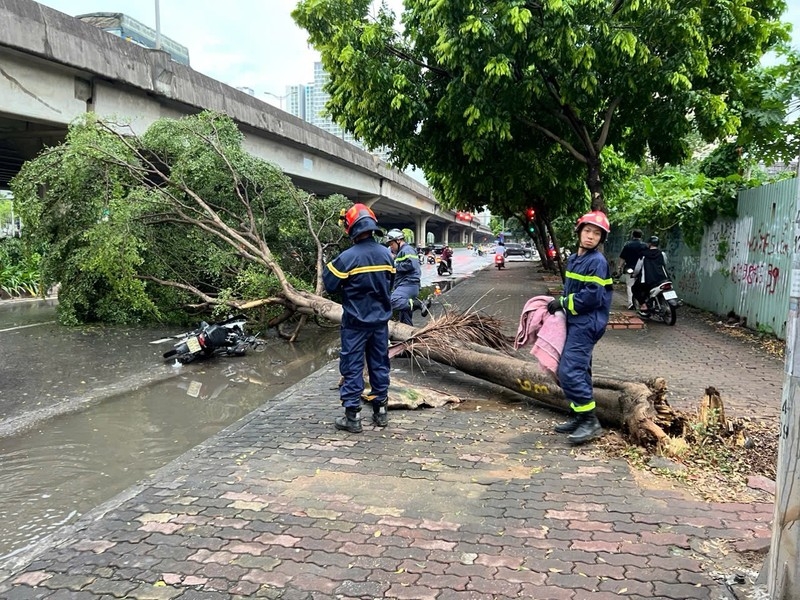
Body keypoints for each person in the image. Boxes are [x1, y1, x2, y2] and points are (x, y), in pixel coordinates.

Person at [323, 204, 395, 433]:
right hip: (380, 323)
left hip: (355, 323)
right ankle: (380, 412)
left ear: (351, 228)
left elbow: (330, 284)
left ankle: (352, 418)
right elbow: (390, 285)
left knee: (352, 367)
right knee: (379, 364)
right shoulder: (387, 254)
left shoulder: (347, 258)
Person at [546, 210, 613, 445]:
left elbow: (591, 298)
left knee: (568, 371)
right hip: (576, 321)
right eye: (587, 231)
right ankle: (579, 415)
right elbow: (571, 289)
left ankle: (590, 421)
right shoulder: (576, 259)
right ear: (579, 232)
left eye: (596, 233)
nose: (591, 236)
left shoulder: (596, 262)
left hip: (587, 323)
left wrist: (563, 303)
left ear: (601, 239)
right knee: (581, 370)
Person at [384, 228, 429, 325]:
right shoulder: (400, 252)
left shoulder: (407, 250)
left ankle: (418, 304)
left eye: (392, 244)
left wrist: (394, 264)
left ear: (398, 240)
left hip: (408, 284)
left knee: (391, 301)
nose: (391, 247)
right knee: (405, 319)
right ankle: (410, 336)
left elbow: (411, 265)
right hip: (403, 285)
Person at [632, 236, 670, 311]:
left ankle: (643, 305)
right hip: (662, 279)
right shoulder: (662, 254)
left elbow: (637, 268)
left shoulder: (643, 255)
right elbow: (665, 263)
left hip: (648, 281)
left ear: (649, 244)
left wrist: (634, 274)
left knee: (635, 288)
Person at [618, 229, 647, 309]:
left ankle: (631, 304)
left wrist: (619, 267)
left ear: (632, 235)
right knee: (642, 286)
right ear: (641, 236)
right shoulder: (645, 246)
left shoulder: (627, 245)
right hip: (642, 269)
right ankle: (642, 303)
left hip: (629, 268)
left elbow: (622, 258)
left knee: (630, 285)